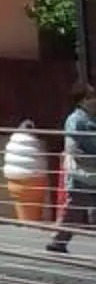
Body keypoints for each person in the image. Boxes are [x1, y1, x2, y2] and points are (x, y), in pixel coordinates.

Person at [47, 89, 96, 254]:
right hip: (82, 173)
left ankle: (59, 241)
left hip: (92, 173)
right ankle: (58, 241)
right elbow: (72, 147)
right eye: (91, 97)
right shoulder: (75, 120)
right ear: (82, 101)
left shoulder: (91, 118)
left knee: (80, 208)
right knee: (75, 209)